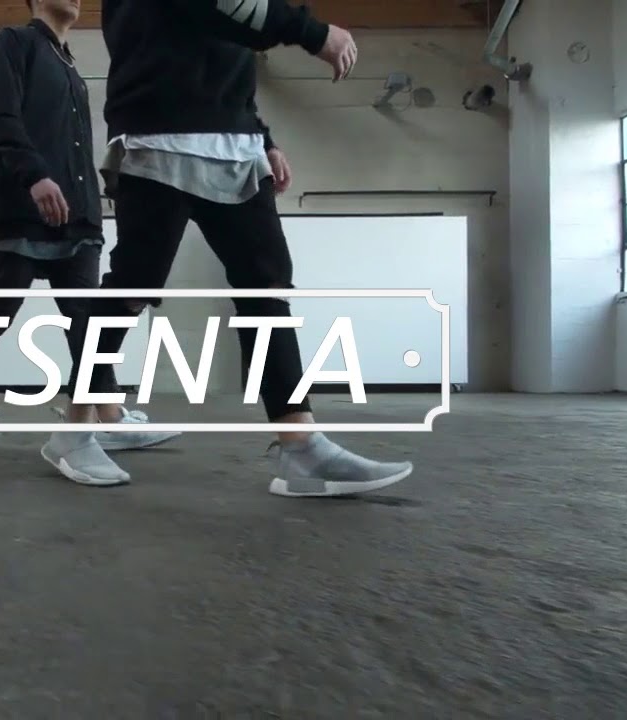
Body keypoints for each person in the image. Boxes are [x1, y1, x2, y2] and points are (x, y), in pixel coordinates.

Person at [41, 0, 415, 495]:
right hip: (159, 131)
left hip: (232, 140)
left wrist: (260, 135)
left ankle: (301, 446)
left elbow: (224, 46)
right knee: (133, 284)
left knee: (267, 283)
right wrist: (313, 32)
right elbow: (220, 10)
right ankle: (73, 432)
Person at [0, 0, 179, 463]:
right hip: (23, 203)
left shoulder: (70, 67)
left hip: (78, 212)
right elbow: (3, 118)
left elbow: (77, 145)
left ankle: (107, 414)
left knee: (88, 317)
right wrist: (34, 176)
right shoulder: (13, 43)